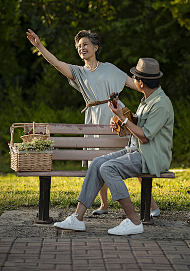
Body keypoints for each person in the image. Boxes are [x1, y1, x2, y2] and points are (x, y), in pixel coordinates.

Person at [26, 29, 160, 216]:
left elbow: (136, 84)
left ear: (96, 47)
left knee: (131, 159)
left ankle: (152, 206)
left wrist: (157, 96)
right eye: (79, 46)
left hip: (116, 115)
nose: (82, 48)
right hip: (93, 117)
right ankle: (104, 205)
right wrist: (39, 46)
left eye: (85, 44)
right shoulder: (78, 73)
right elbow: (56, 63)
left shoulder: (111, 68)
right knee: (97, 161)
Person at [53, 58, 174, 235]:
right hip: (135, 151)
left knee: (109, 168)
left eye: (135, 77)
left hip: (150, 157)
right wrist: (120, 120)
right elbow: (137, 126)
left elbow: (145, 136)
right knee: (96, 163)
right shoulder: (147, 100)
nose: (133, 79)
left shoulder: (161, 104)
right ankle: (77, 218)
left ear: (141, 82)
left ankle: (133, 221)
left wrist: (124, 119)